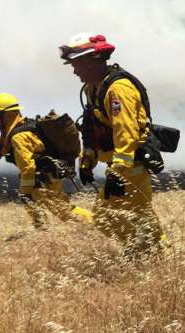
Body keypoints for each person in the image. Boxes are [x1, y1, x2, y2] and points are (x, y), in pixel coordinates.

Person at [59, 33, 164, 260]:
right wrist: (87, 160)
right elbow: (90, 127)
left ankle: (149, 255)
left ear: (89, 61)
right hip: (121, 167)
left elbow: (125, 134)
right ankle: (150, 253)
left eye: (76, 65)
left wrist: (117, 172)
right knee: (127, 216)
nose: (74, 71)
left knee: (122, 216)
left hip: (131, 167)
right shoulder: (92, 88)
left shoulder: (118, 90)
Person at [0, 92, 92, 229]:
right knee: (57, 210)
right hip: (46, 176)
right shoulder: (23, 127)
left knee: (64, 211)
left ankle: (97, 224)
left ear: (4, 115)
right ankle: (41, 230)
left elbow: (28, 169)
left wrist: (25, 192)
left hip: (44, 178)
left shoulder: (18, 137)